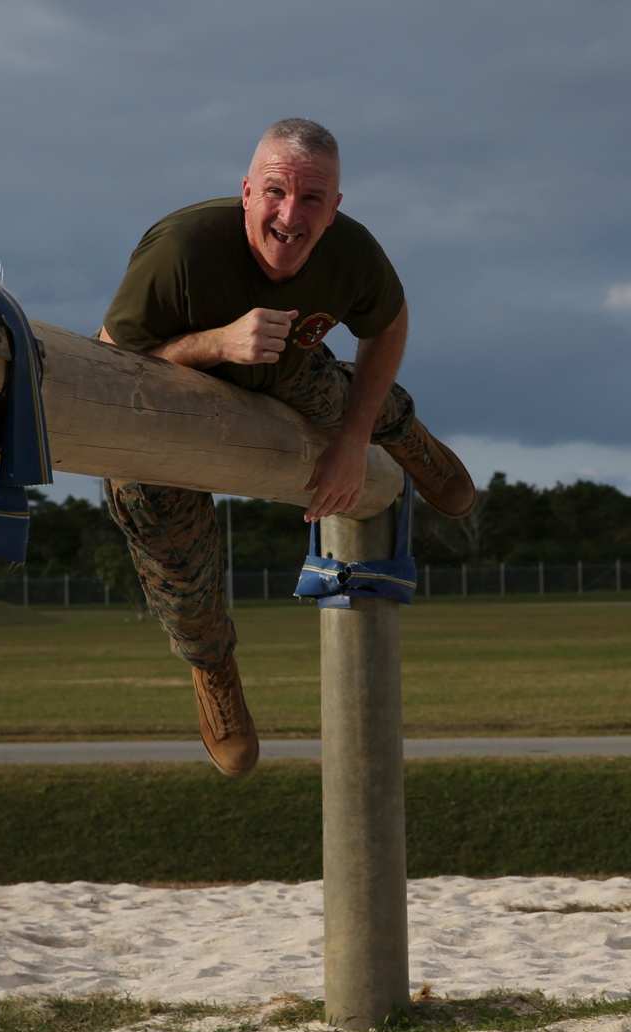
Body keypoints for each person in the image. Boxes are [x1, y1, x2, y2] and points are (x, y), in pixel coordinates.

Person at [96, 118, 475, 778]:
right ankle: (214, 670)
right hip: (163, 410)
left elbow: (387, 323)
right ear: (246, 192)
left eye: (311, 200)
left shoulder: (350, 251)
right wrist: (215, 343)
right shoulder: (182, 249)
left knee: (341, 394)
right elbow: (107, 370)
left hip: (283, 370)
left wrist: (356, 442)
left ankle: (407, 438)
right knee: (178, 564)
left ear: (334, 208)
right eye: (275, 192)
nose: (290, 215)